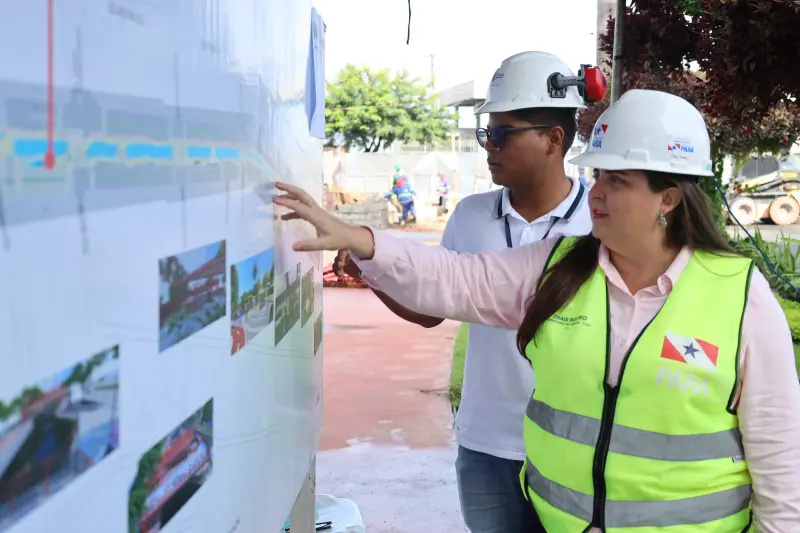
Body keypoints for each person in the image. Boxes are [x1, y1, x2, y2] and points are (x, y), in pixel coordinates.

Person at [274, 89, 800, 532]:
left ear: (669, 198)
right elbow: (454, 278)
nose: (596, 193)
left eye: (617, 181)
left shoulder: (739, 296)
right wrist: (364, 242)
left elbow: (780, 456)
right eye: (597, 177)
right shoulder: (560, 268)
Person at [342, 51, 592, 533]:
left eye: (501, 134)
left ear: (553, 139)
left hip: (572, 443)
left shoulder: (596, 223)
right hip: (486, 444)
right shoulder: (471, 215)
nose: (487, 147)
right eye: (485, 133)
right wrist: (372, 272)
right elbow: (431, 307)